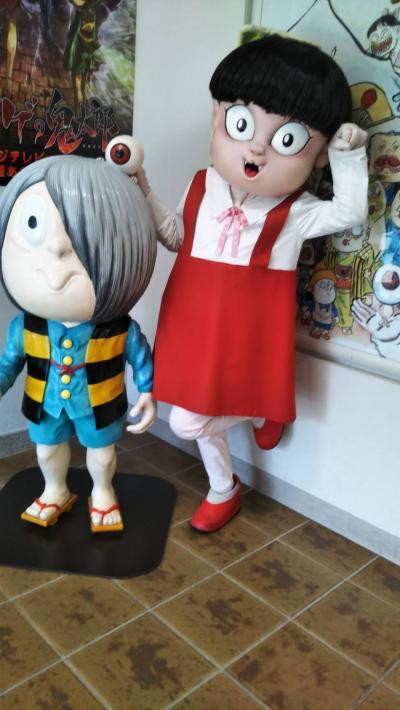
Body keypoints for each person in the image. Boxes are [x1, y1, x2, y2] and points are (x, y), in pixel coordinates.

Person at [136, 34, 369, 533]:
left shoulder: (298, 211)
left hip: (249, 334)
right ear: (216, 117)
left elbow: (350, 212)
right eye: (241, 123)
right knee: (184, 410)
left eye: (288, 138)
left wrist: (349, 156)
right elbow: (175, 235)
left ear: (317, 154)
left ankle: (229, 479)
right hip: (192, 323)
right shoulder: (202, 184)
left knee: (185, 422)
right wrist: (144, 188)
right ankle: (259, 416)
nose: (258, 148)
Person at [0, 155, 157, 531]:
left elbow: (140, 357)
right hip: (47, 403)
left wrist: (148, 391)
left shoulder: (119, 329)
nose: (57, 249)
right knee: (47, 450)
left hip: (99, 405)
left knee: (101, 455)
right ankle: (54, 489)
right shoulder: (25, 327)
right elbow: (8, 364)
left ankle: (103, 492)